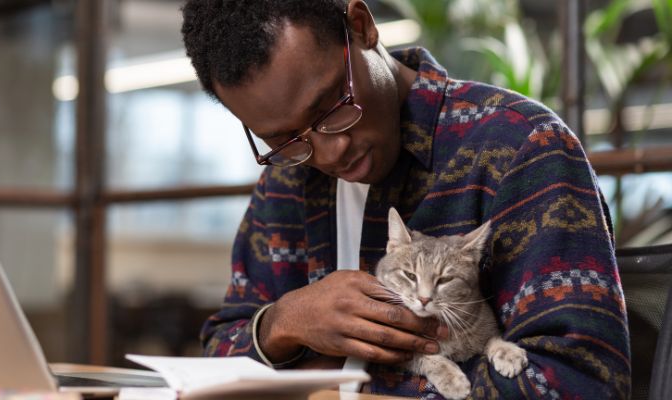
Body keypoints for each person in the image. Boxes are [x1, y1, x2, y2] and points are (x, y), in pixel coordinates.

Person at [181, 0, 630, 397]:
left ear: (361, 27)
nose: (329, 151)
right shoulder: (287, 179)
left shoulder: (522, 147)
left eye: (332, 106)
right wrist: (283, 322)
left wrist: (351, 386)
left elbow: (581, 381)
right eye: (284, 138)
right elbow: (221, 352)